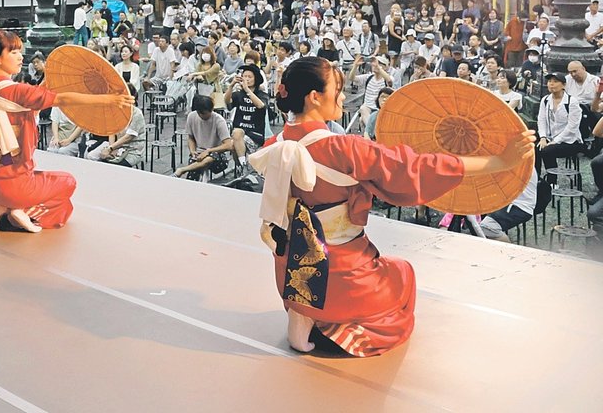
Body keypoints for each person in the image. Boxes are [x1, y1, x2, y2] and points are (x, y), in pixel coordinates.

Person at [249, 56, 534, 356]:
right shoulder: (344, 149)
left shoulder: (273, 147)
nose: (344, 96)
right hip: (342, 274)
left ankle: (303, 314)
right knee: (402, 275)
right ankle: (337, 325)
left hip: (292, 271)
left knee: (311, 251)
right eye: (339, 88)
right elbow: (419, 168)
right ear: (315, 97)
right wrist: (499, 162)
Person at [0, 30, 132, 233]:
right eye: (13, 52)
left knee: (38, 183)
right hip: (15, 185)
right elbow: (61, 99)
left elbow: (35, 97)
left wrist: (48, 80)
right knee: (67, 184)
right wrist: (108, 99)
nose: (20, 57)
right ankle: (21, 211)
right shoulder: (17, 91)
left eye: (20, 51)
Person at [174, 94, 233, 179]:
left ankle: (183, 170)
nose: (202, 116)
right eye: (200, 113)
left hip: (217, 155)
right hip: (199, 152)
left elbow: (228, 145)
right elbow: (191, 138)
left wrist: (209, 151)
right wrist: (192, 150)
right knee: (194, 173)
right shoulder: (192, 116)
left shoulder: (219, 120)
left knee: (209, 159)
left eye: (205, 113)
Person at [536, 72, 584, 177]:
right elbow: (541, 119)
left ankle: (552, 181)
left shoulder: (572, 102)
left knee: (547, 150)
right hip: (550, 137)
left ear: (563, 85)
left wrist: (555, 141)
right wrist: (543, 137)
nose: (551, 84)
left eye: (555, 81)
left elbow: (572, 127)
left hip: (570, 141)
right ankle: (536, 178)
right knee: (534, 146)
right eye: (549, 81)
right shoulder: (545, 100)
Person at [85, 85, 146, 166]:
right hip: (118, 146)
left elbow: (128, 137)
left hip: (133, 150)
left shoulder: (136, 113)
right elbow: (112, 132)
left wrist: (111, 148)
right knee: (91, 157)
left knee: (111, 165)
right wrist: (111, 148)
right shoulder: (116, 110)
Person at [225, 64, 267, 172]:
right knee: (236, 134)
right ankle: (243, 164)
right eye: (245, 76)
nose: (247, 79)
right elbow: (227, 102)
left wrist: (248, 90)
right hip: (239, 133)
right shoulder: (238, 94)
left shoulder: (261, 95)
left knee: (235, 142)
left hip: (255, 135)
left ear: (256, 79)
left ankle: (241, 168)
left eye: (250, 77)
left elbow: (261, 106)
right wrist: (231, 86)